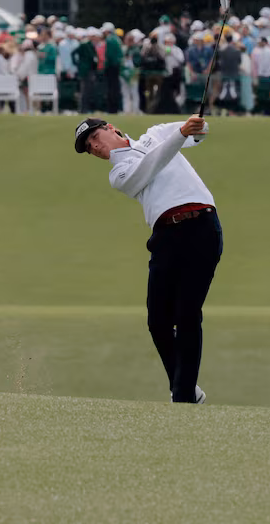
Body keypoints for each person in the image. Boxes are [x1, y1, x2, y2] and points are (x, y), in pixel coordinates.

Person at [74, 114, 219, 404]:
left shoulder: (156, 134)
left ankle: (183, 398)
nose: (94, 147)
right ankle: (187, 390)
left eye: (94, 137)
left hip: (202, 226)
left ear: (111, 128)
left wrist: (196, 126)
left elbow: (199, 133)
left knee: (188, 314)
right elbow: (150, 166)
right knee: (157, 320)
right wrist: (180, 134)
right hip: (166, 236)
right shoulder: (120, 174)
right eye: (89, 147)